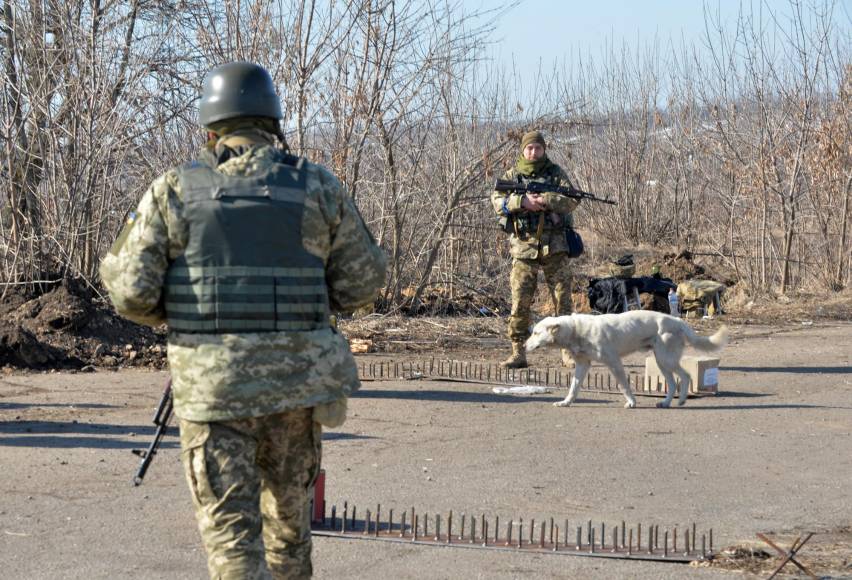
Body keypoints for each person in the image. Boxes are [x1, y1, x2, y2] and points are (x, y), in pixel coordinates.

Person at [100, 61, 386, 579]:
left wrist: (191, 310)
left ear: (211, 131)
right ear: (273, 123)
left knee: (233, 543)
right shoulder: (317, 186)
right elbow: (362, 283)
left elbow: (129, 291)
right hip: (298, 390)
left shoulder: (174, 190)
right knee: (290, 536)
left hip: (214, 390)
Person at [491, 130, 580, 368]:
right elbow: (497, 202)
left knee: (563, 302)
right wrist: (522, 202)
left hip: (555, 248)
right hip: (524, 248)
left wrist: (548, 200)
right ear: (523, 150)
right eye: (529, 148)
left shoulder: (555, 173)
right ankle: (518, 352)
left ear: (544, 150)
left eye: (538, 148)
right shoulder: (512, 175)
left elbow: (573, 199)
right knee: (520, 302)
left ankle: (567, 352)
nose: (533, 152)